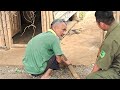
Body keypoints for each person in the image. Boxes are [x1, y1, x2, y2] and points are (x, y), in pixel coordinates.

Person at [86, 11, 120, 79]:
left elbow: (99, 65)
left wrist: (90, 76)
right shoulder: (117, 27)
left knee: (91, 77)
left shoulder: (110, 41)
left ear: (101, 24)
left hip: (118, 71)